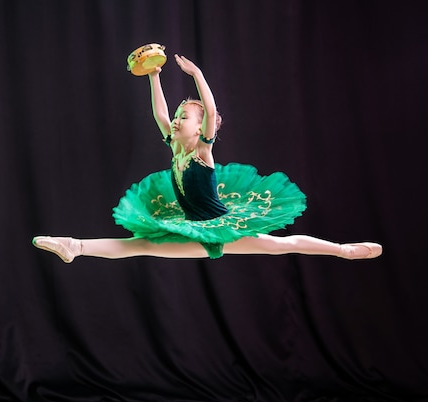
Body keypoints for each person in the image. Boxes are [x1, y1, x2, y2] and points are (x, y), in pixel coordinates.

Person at [32, 54, 382, 263]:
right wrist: (154, 76)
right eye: (180, 114)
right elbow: (158, 113)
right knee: (140, 246)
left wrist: (197, 76)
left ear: (202, 130)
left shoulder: (202, 150)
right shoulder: (176, 146)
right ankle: (73, 245)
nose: (178, 118)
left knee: (281, 245)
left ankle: (343, 251)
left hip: (221, 228)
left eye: (185, 116)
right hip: (193, 228)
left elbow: (210, 111)